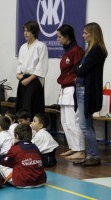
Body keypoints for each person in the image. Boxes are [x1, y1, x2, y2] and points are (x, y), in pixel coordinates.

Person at [74, 22, 108, 167]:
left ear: (93, 34)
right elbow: (78, 67)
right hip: (82, 89)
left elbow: (80, 70)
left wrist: (79, 68)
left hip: (87, 91)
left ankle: (93, 155)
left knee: (84, 125)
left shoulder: (97, 50)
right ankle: (91, 155)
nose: (83, 36)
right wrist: (79, 67)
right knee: (87, 124)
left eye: (86, 33)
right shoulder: (89, 49)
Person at [56, 24, 85, 160]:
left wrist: (72, 80)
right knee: (65, 122)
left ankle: (80, 149)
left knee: (73, 122)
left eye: (59, 37)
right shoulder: (67, 51)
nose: (58, 39)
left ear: (67, 37)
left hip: (72, 88)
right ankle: (73, 147)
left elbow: (79, 70)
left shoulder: (77, 51)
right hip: (64, 89)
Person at [16, 20, 48, 120]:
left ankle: (34, 130)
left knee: (32, 107)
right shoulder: (23, 47)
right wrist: (18, 74)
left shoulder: (41, 46)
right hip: (23, 78)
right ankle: (23, 129)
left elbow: (41, 67)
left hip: (34, 79)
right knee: (22, 106)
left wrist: (29, 79)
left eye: (28, 31)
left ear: (34, 32)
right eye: (24, 30)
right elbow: (19, 64)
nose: (25, 33)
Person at [0, 124, 47, 188]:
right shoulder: (35, 147)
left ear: (16, 136)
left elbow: (5, 163)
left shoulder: (15, 148)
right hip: (40, 181)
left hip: (22, 182)